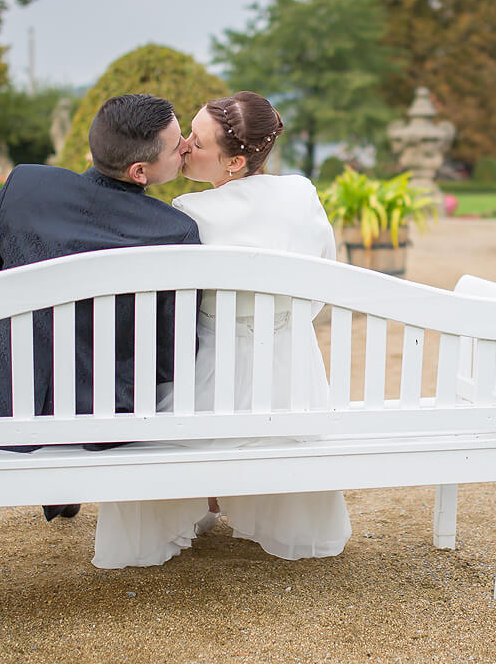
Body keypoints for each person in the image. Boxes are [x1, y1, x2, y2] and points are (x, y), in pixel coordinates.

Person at [92, 91, 350, 568]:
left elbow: (174, 313)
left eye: (197, 140)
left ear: (234, 161)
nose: (185, 146)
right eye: (188, 133)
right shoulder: (301, 193)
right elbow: (319, 286)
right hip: (293, 382)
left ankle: (176, 514)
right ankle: (282, 521)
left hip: (207, 384)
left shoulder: (189, 212)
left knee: (153, 405)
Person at [0, 93, 200, 520]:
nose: (186, 148)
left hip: (4, 403)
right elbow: (173, 354)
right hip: (109, 415)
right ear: (140, 172)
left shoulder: (24, 186)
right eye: (178, 146)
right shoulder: (174, 229)